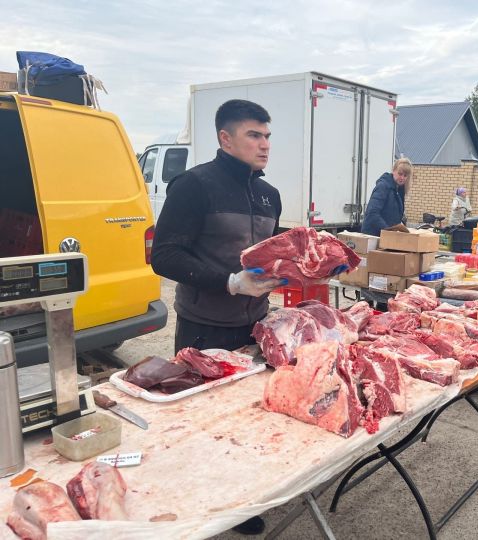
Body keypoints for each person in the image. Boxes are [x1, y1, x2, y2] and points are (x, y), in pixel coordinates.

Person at [151, 99, 284, 535]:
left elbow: (268, 255)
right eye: (254, 135)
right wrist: (230, 282)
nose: (264, 144)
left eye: (267, 136)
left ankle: (241, 500)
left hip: (254, 324)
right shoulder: (194, 185)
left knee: (249, 417)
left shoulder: (269, 194)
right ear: (225, 138)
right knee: (202, 423)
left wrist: (291, 270)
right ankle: (197, 507)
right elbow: (165, 255)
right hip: (203, 323)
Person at [361, 158, 412, 236]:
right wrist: (388, 230)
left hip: (386, 235)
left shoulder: (400, 190)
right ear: (393, 171)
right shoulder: (383, 187)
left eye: (405, 175)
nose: (402, 178)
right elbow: (372, 213)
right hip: (373, 235)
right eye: (400, 174)